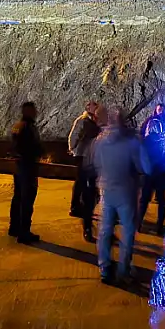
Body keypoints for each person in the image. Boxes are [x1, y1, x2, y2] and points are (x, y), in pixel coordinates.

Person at [89, 106, 151, 285]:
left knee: (105, 229)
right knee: (128, 230)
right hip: (126, 191)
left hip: (106, 190)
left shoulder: (99, 141)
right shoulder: (132, 142)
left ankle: (104, 267)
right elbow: (145, 168)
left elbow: (95, 164)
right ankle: (124, 269)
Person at [67, 100, 102, 242]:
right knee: (82, 182)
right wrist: (72, 149)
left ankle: (76, 206)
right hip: (82, 155)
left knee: (81, 181)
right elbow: (74, 135)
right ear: (88, 108)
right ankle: (76, 206)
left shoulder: (94, 122)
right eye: (94, 106)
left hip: (90, 156)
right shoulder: (83, 121)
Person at [9, 101, 44, 244]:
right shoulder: (28, 128)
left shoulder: (18, 126)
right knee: (27, 198)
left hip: (19, 166)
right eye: (33, 110)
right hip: (27, 166)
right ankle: (24, 232)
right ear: (28, 111)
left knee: (18, 197)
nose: (36, 112)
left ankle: (14, 227)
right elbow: (31, 147)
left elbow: (14, 146)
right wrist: (41, 153)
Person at [138, 103, 165, 235]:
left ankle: (139, 223)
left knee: (145, 199)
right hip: (160, 173)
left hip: (150, 173)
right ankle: (158, 226)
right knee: (160, 200)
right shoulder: (163, 142)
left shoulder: (147, 141)